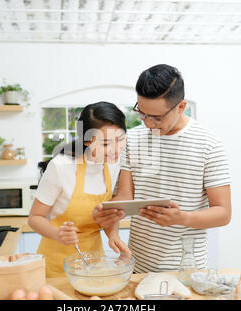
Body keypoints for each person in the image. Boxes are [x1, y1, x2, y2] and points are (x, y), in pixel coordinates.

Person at [92, 64, 232, 273]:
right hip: (137, 269)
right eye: (142, 113)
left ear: (181, 106)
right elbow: (125, 196)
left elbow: (223, 213)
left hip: (186, 271)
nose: (148, 123)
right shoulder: (133, 139)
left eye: (157, 117)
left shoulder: (209, 144)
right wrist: (107, 214)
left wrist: (182, 218)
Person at [28, 101, 130, 277]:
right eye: (106, 144)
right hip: (56, 267)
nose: (116, 149)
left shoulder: (112, 166)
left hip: (93, 263)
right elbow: (35, 218)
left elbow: (106, 213)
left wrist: (112, 234)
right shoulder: (61, 167)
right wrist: (58, 233)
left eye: (120, 139)